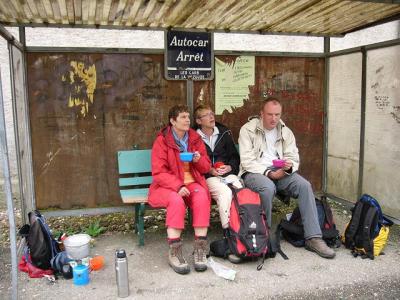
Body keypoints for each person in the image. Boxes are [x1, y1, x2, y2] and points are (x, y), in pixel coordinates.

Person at [238, 97, 335, 259]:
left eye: (277, 114)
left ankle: (313, 237)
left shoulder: (286, 131)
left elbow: (293, 157)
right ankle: (264, 234)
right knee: (267, 188)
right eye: (270, 114)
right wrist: (269, 173)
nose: (274, 118)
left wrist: (288, 169)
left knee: (304, 185)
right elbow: (247, 161)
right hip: (254, 172)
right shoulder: (247, 130)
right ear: (261, 113)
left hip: (280, 171)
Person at [148, 105, 212, 274]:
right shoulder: (162, 140)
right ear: (172, 121)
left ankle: (200, 249)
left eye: (188, 117)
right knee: (176, 200)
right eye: (183, 117)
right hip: (167, 186)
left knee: (201, 196)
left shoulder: (194, 138)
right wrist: (178, 186)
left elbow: (206, 168)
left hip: (191, 183)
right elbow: (158, 173)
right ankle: (174, 252)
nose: (187, 120)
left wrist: (197, 160)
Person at [194, 105, 243, 263]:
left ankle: (243, 231)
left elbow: (234, 157)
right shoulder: (194, 137)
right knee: (225, 193)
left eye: (212, 114)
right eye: (206, 115)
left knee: (241, 191)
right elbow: (195, 163)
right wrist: (210, 171)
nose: (211, 117)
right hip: (207, 177)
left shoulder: (224, 132)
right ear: (198, 121)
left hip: (227, 174)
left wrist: (230, 167)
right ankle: (229, 237)